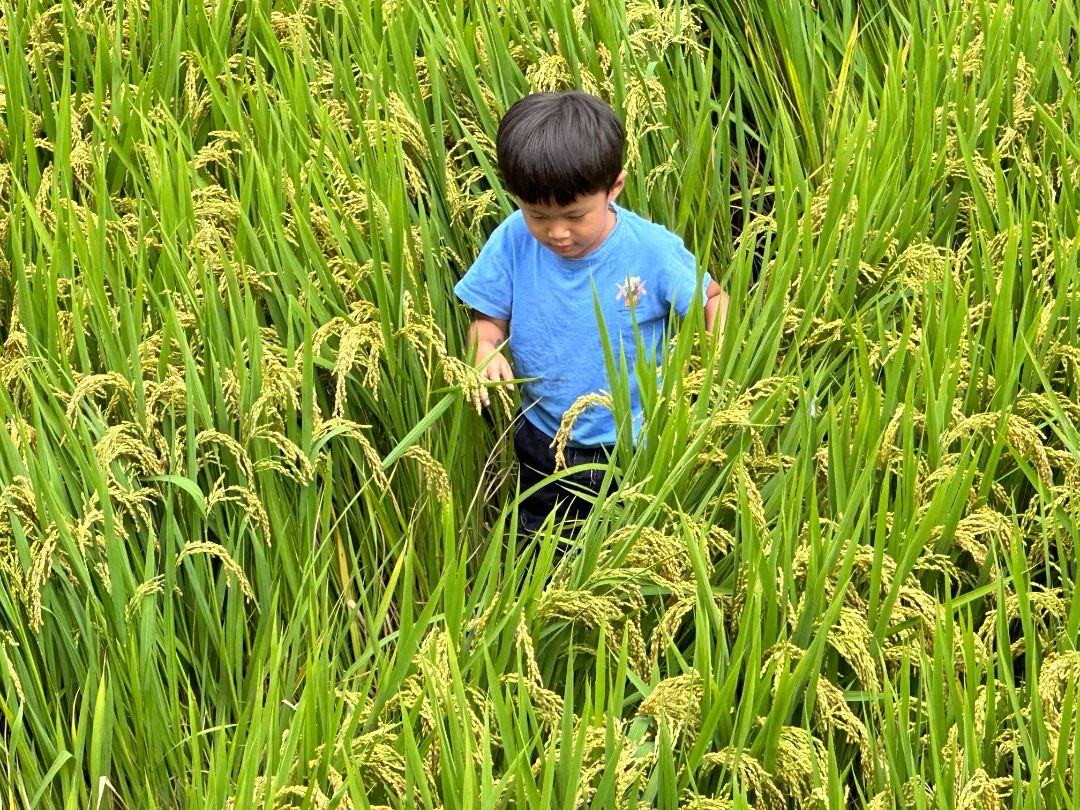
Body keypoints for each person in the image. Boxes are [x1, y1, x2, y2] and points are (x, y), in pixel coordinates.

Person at [454, 90, 728, 534]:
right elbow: (487, 321)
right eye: (537, 215)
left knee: (628, 539)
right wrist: (484, 349)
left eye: (575, 215)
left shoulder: (650, 250)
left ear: (614, 187)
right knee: (539, 537)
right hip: (542, 435)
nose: (557, 232)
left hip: (632, 442)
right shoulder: (512, 240)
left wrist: (717, 361)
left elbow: (714, 299)